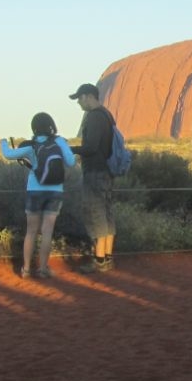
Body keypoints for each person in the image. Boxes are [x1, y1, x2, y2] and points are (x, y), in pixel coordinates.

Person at [0, 112, 75, 278]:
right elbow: (71, 162)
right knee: (47, 231)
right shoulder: (59, 141)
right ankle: (43, 269)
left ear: (34, 128)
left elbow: (8, 155)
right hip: (55, 191)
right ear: (51, 125)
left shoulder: (31, 146)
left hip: (35, 190)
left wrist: (3, 142)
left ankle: (26, 269)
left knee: (31, 231)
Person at [69, 83, 117, 273]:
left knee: (96, 214)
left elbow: (90, 148)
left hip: (96, 173)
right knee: (107, 215)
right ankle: (107, 258)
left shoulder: (95, 116)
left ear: (88, 96)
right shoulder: (106, 114)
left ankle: (99, 261)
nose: (78, 104)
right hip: (106, 172)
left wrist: (70, 149)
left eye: (79, 99)